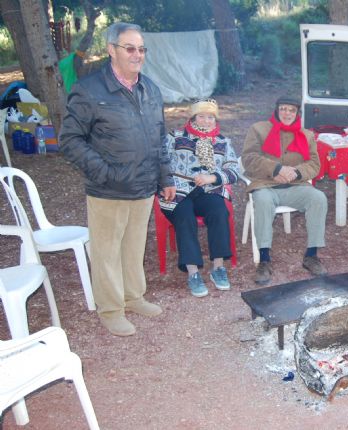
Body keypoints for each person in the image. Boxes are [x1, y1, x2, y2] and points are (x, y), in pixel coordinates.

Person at [59, 22, 176, 337]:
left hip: (142, 185)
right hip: (108, 189)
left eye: (141, 49)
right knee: (107, 251)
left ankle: (133, 296)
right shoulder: (89, 90)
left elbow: (159, 137)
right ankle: (111, 309)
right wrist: (104, 172)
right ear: (111, 50)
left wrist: (164, 175)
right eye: (129, 48)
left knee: (134, 247)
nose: (137, 54)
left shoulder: (150, 88)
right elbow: (70, 140)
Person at [241, 95, 328, 285]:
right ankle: (264, 260)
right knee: (262, 201)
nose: (287, 113)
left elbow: (314, 164)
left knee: (318, 198)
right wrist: (276, 169)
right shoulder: (259, 129)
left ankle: (311, 255)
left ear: (297, 114)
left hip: (295, 186)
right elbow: (248, 158)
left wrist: (296, 173)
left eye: (291, 110)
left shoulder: (306, 135)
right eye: (283, 109)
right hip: (265, 184)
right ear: (276, 110)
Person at [159, 99, 238, 297]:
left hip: (208, 189)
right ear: (193, 118)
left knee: (219, 210)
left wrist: (212, 177)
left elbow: (233, 170)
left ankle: (218, 267)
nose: (206, 121)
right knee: (184, 215)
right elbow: (160, 163)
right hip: (178, 190)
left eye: (210, 117)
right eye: (201, 116)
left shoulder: (223, 141)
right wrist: (166, 183)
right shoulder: (175, 137)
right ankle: (193, 272)